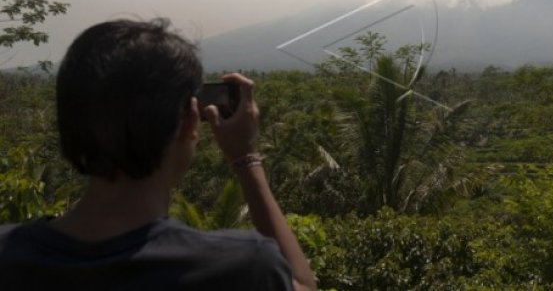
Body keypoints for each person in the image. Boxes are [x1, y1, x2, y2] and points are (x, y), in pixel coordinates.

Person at [0, 19, 317, 291]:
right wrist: (246, 155)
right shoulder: (239, 268)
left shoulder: (9, 256)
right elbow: (302, 284)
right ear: (190, 121)